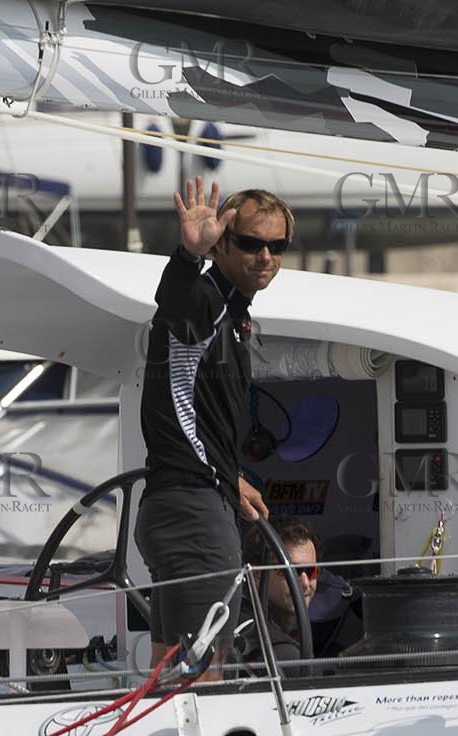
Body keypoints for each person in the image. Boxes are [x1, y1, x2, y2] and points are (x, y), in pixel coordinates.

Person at [135, 179, 293, 677]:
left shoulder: (233, 311)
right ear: (222, 245)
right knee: (204, 673)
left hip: (180, 503)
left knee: (172, 672)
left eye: (277, 245)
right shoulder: (207, 301)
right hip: (193, 514)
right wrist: (188, 255)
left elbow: (196, 418)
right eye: (250, 243)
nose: (265, 256)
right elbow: (175, 303)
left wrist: (233, 477)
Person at [237, 516, 322, 663]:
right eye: (291, 572)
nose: (305, 582)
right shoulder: (280, 652)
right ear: (257, 575)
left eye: (311, 571)